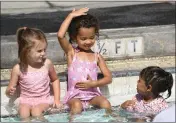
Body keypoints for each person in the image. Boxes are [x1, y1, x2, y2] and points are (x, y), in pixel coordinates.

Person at [57, 7, 112, 117]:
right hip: (74, 96)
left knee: (105, 103)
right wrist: (70, 16)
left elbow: (108, 78)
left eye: (91, 37)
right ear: (74, 37)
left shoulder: (97, 57)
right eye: (83, 38)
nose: (88, 41)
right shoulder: (72, 53)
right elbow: (60, 35)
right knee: (77, 105)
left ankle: (109, 120)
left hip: (92, 95)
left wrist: (94, 83)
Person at [5, 27, 62, 121]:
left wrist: (57, 99)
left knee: (36, 111)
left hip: (44, 99)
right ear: (26, 51)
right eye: (39, 51)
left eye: (44, 50)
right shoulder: (18, 69)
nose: (43, 53)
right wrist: (9, 91)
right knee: (24, 113)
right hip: (25, 100)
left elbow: (55, 79)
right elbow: (9, 91)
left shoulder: (47, 64)